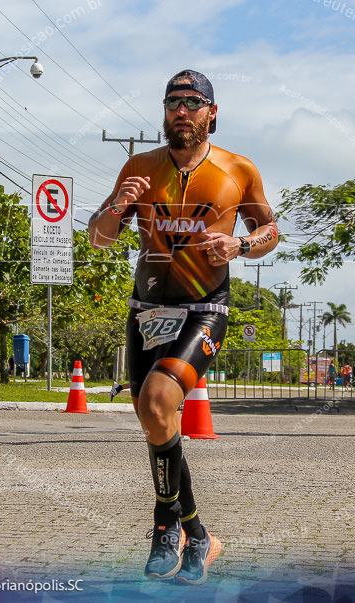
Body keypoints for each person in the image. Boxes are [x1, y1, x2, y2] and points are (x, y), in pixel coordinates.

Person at [88, 69, 278, 584]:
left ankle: (163, 528)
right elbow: (99, 237)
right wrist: (118, 205)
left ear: (212, 113)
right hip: (147, 309)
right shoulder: (140, 166)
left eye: (193, 102)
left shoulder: (239, 169)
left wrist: (240, 245)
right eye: (173, 101)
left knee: (156, 403)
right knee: (157, 421)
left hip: (204, 308)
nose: (182, 110)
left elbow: (270, 230)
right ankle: (198, 534)